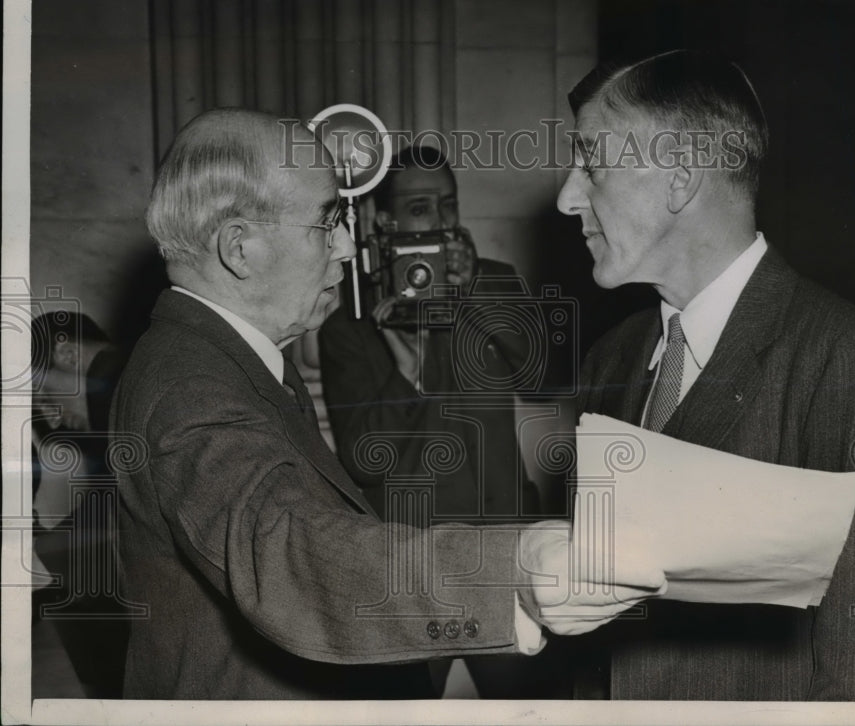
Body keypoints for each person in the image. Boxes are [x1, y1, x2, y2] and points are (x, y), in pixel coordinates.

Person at [111, 108, 660, 700]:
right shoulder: (191, 385)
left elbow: (548, 376)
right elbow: (292, 551)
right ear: (239, 250)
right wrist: (517, 569)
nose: (347, 247)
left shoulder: (228, 358)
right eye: (326, 222)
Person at [556, 50, 855, 700]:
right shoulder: (611, 360)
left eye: (592, 164)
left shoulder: (836, 356)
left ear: (679, 177)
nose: (567, 197)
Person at [319, 145, 553, 697]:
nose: (443, 222)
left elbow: (543, 379)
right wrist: (407, 371)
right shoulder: (351, 321)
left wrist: (473, 294)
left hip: (504, 558)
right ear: (385, 221)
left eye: (448, 205)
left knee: (530, 709)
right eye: (422, 207)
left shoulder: (494, 281)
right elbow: (360, 457)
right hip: (412, 569)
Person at [30, 312, 129, 697]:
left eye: (44, 392)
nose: (49, 411)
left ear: (68, 354)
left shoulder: (121, 384)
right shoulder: (125, 374)